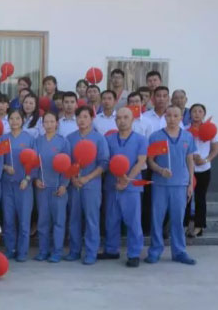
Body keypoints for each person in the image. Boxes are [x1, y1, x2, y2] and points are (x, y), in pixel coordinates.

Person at [146, 105, 196, 265]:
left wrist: (190, 183)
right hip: (160, 184)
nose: (172, 119)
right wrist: (160, 170)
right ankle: (155, 250)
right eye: (169, 115)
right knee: (157, 219)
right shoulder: (156, 137)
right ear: (165, 117)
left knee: (177, 220)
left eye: (176, 116)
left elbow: (190, 160)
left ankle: (179, 251)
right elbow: (150, 161)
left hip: (180, 184)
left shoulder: (188, 137)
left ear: (181, 118)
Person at [102, 107, 149, 266]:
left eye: (125, 117)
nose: (122, 121)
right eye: (119, 118)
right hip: (112, 185)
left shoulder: (141, 139)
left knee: (133, 221)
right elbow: (107, 161)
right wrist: (118, 178)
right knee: (111, 219)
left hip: (131, 186)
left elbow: (141, 161)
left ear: (132, 119)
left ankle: (134, 254)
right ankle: (111, 250)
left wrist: (126, 180)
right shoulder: (108, 139)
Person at [65, 104, 110, 264]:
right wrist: (72, 178)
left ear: (91, 119)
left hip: (92, 185)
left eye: (85, 117)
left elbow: (104, 163)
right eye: (79, 117)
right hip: (74, 184)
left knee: (92, 219)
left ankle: (91, 252)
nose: (82, 120)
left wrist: (87, 178)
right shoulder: (70, 138)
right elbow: (66, 161)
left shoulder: (99, 138)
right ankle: (74, 250)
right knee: (74, 218)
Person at [33, 108, 71, 262]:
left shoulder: (63, 142)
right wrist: (36, 179)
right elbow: (34, 163)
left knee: (58, 222)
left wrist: (64, 185)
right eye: (46, 122)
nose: (48, 124)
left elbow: (68, 165)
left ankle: (57, 251)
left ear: (57, 123)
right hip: (42, 187)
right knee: (43, 222)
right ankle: (43, 251)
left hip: (58, 188)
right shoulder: (37, 141)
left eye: (51, 121)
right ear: (42, 124)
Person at [0, 108, 36, 261]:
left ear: (23, 120)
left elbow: (35, 163)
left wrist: (27, 179)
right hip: (7, 184)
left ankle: (22, 251)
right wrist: (5, 167)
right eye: (11, 118)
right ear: (8, 121)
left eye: (17, 118)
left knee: (24, 220)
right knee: (8, 219)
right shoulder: (3, 139)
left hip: (24, 186)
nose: (14, 121)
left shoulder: (29, 139)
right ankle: (10, 248)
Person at [184, 102, 218, 238]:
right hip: (187, 168)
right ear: (190, 114)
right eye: (194, 111)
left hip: (204, 169)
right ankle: (185, 225)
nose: (197, 114)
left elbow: (215, 149)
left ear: (204, 114)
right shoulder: (185, 130)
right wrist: (191, 156)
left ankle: (199, 226)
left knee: (200, 198)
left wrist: (205, 160)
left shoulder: (210, 129)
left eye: (200, 111)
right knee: (186, 198)